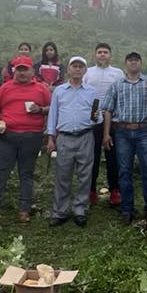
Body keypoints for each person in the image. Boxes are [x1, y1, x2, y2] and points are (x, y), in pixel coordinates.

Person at [101, 51, 147, 224]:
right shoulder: (117, 85)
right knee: (124, 171)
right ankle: (127, 209)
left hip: (144, 130)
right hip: (122, 131)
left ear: (141, 63)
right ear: (125, 64)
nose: (133, 63)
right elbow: (107, 109)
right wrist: (107, 133)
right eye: (130, 60)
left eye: (136, 60)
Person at [0, 55, 51, 222]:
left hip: (32, 136)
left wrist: (40, 109)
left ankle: (24, 209)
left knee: (26, 173)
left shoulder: (41, 88)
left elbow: (52, 108)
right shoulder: (6, 87)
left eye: (25, 69)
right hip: (7, 135)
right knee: (1, 172)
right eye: (19, 69)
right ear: (14, 71)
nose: (22, 73)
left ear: (32, 71)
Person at [45, 56, 102, 227]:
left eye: (80, 66)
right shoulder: (59, 91)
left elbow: (96, 116)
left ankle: (80, 209)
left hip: (85, 136)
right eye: (74, 66)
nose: (77, 69)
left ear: (85, 71)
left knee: (85, 175)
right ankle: (60, 211)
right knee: (63, 174)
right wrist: (50, 137)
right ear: (68, 69)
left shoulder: (92, 92)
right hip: (65, 137)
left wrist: (96, 117)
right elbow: (53, 114)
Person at [82, 43, 125, 207]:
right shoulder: (88, 72)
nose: (102, 55)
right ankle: (91, 190)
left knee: (113, 157)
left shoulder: (118, 73)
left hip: (113, 121)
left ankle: (115, 190)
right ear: (95, 55)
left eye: (105, 52)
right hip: (92, 120)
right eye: (99, 52)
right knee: (91, 157)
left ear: (110, 55)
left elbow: (121, 95)